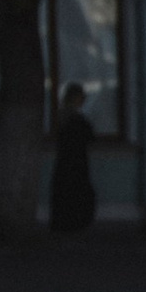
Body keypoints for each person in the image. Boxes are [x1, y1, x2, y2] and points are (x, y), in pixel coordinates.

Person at [49, 84, 97, 236]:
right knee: (75, 191)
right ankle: (72, 222)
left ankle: (68, 222)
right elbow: (87, 135)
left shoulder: (65, 116)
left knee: (70, 191)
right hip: (74, 161)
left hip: (69, 161)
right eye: (81, 97)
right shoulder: (72, 118)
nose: (83, 100)